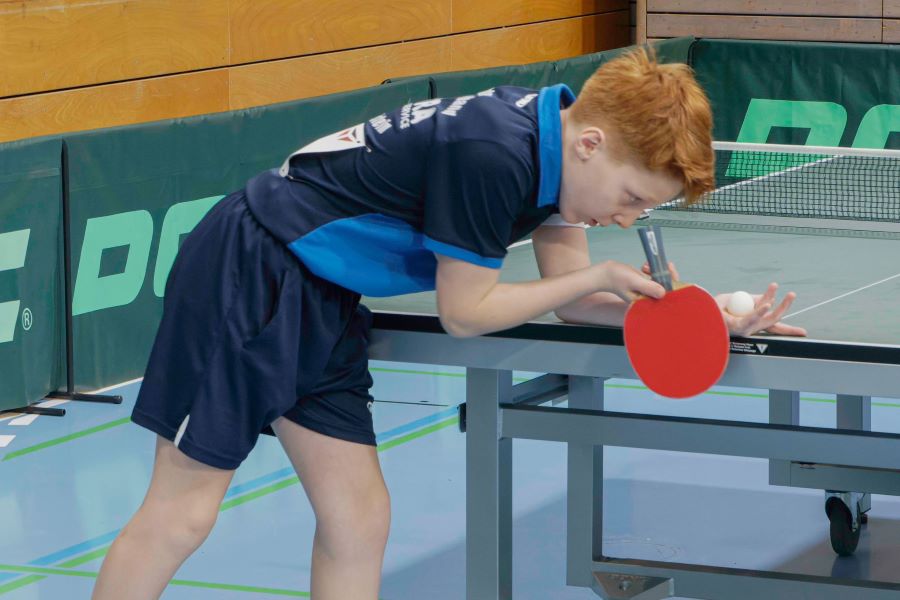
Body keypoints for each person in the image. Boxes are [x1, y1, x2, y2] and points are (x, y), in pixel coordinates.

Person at [93, 46, 805, 600]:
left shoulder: (558, 149)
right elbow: (465, 314)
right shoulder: (494, 154)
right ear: (590, 144)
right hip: (250, 270)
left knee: (359, 515)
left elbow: (571, 302)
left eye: (640, 212)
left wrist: (701, 320)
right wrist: (599, 274)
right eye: (629, 198)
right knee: (183, 510)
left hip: (323, 292)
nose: (626, 219)